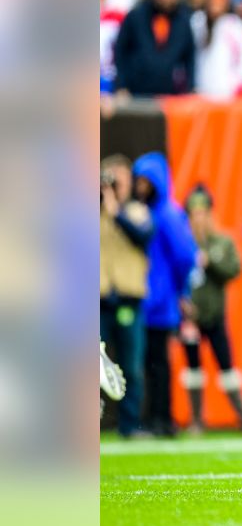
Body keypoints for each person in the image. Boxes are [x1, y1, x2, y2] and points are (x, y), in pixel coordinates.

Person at [133, 153, 199, 437]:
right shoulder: (144, 212)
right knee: (148, 363)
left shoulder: (168, 214)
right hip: (144, 299)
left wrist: (180, 291)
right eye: (140, 181)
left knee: (158, 363)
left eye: (147, 181)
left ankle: (163, 420)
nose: (142, 187)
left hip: (160, 302)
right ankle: (152, 418)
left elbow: (186, 256)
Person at [180, 185, 242, 434]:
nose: (198, 218)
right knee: (193, 368)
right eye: (194, 213)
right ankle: (196, 421)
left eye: (203, 212)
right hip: (189, 315)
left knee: (226, 366)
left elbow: (233, 270)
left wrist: (210, 263)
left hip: (214, 313)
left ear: (210, 214)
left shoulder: (221, 242)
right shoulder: (182, 242)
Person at [99, 155, 152, 438]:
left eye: (119, 180)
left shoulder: (136, 211)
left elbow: (142, 236)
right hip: (98, 301)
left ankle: (129, 426)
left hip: (129, 299)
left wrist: (115, 209)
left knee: (131, 366)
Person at [112, 0, 197, 98]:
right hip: (136, 95)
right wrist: (121, 86)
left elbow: (190, 57)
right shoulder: (136, 15)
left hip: (169, 97)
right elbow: (120, 51)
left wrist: (191, 87)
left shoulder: (183, 20)